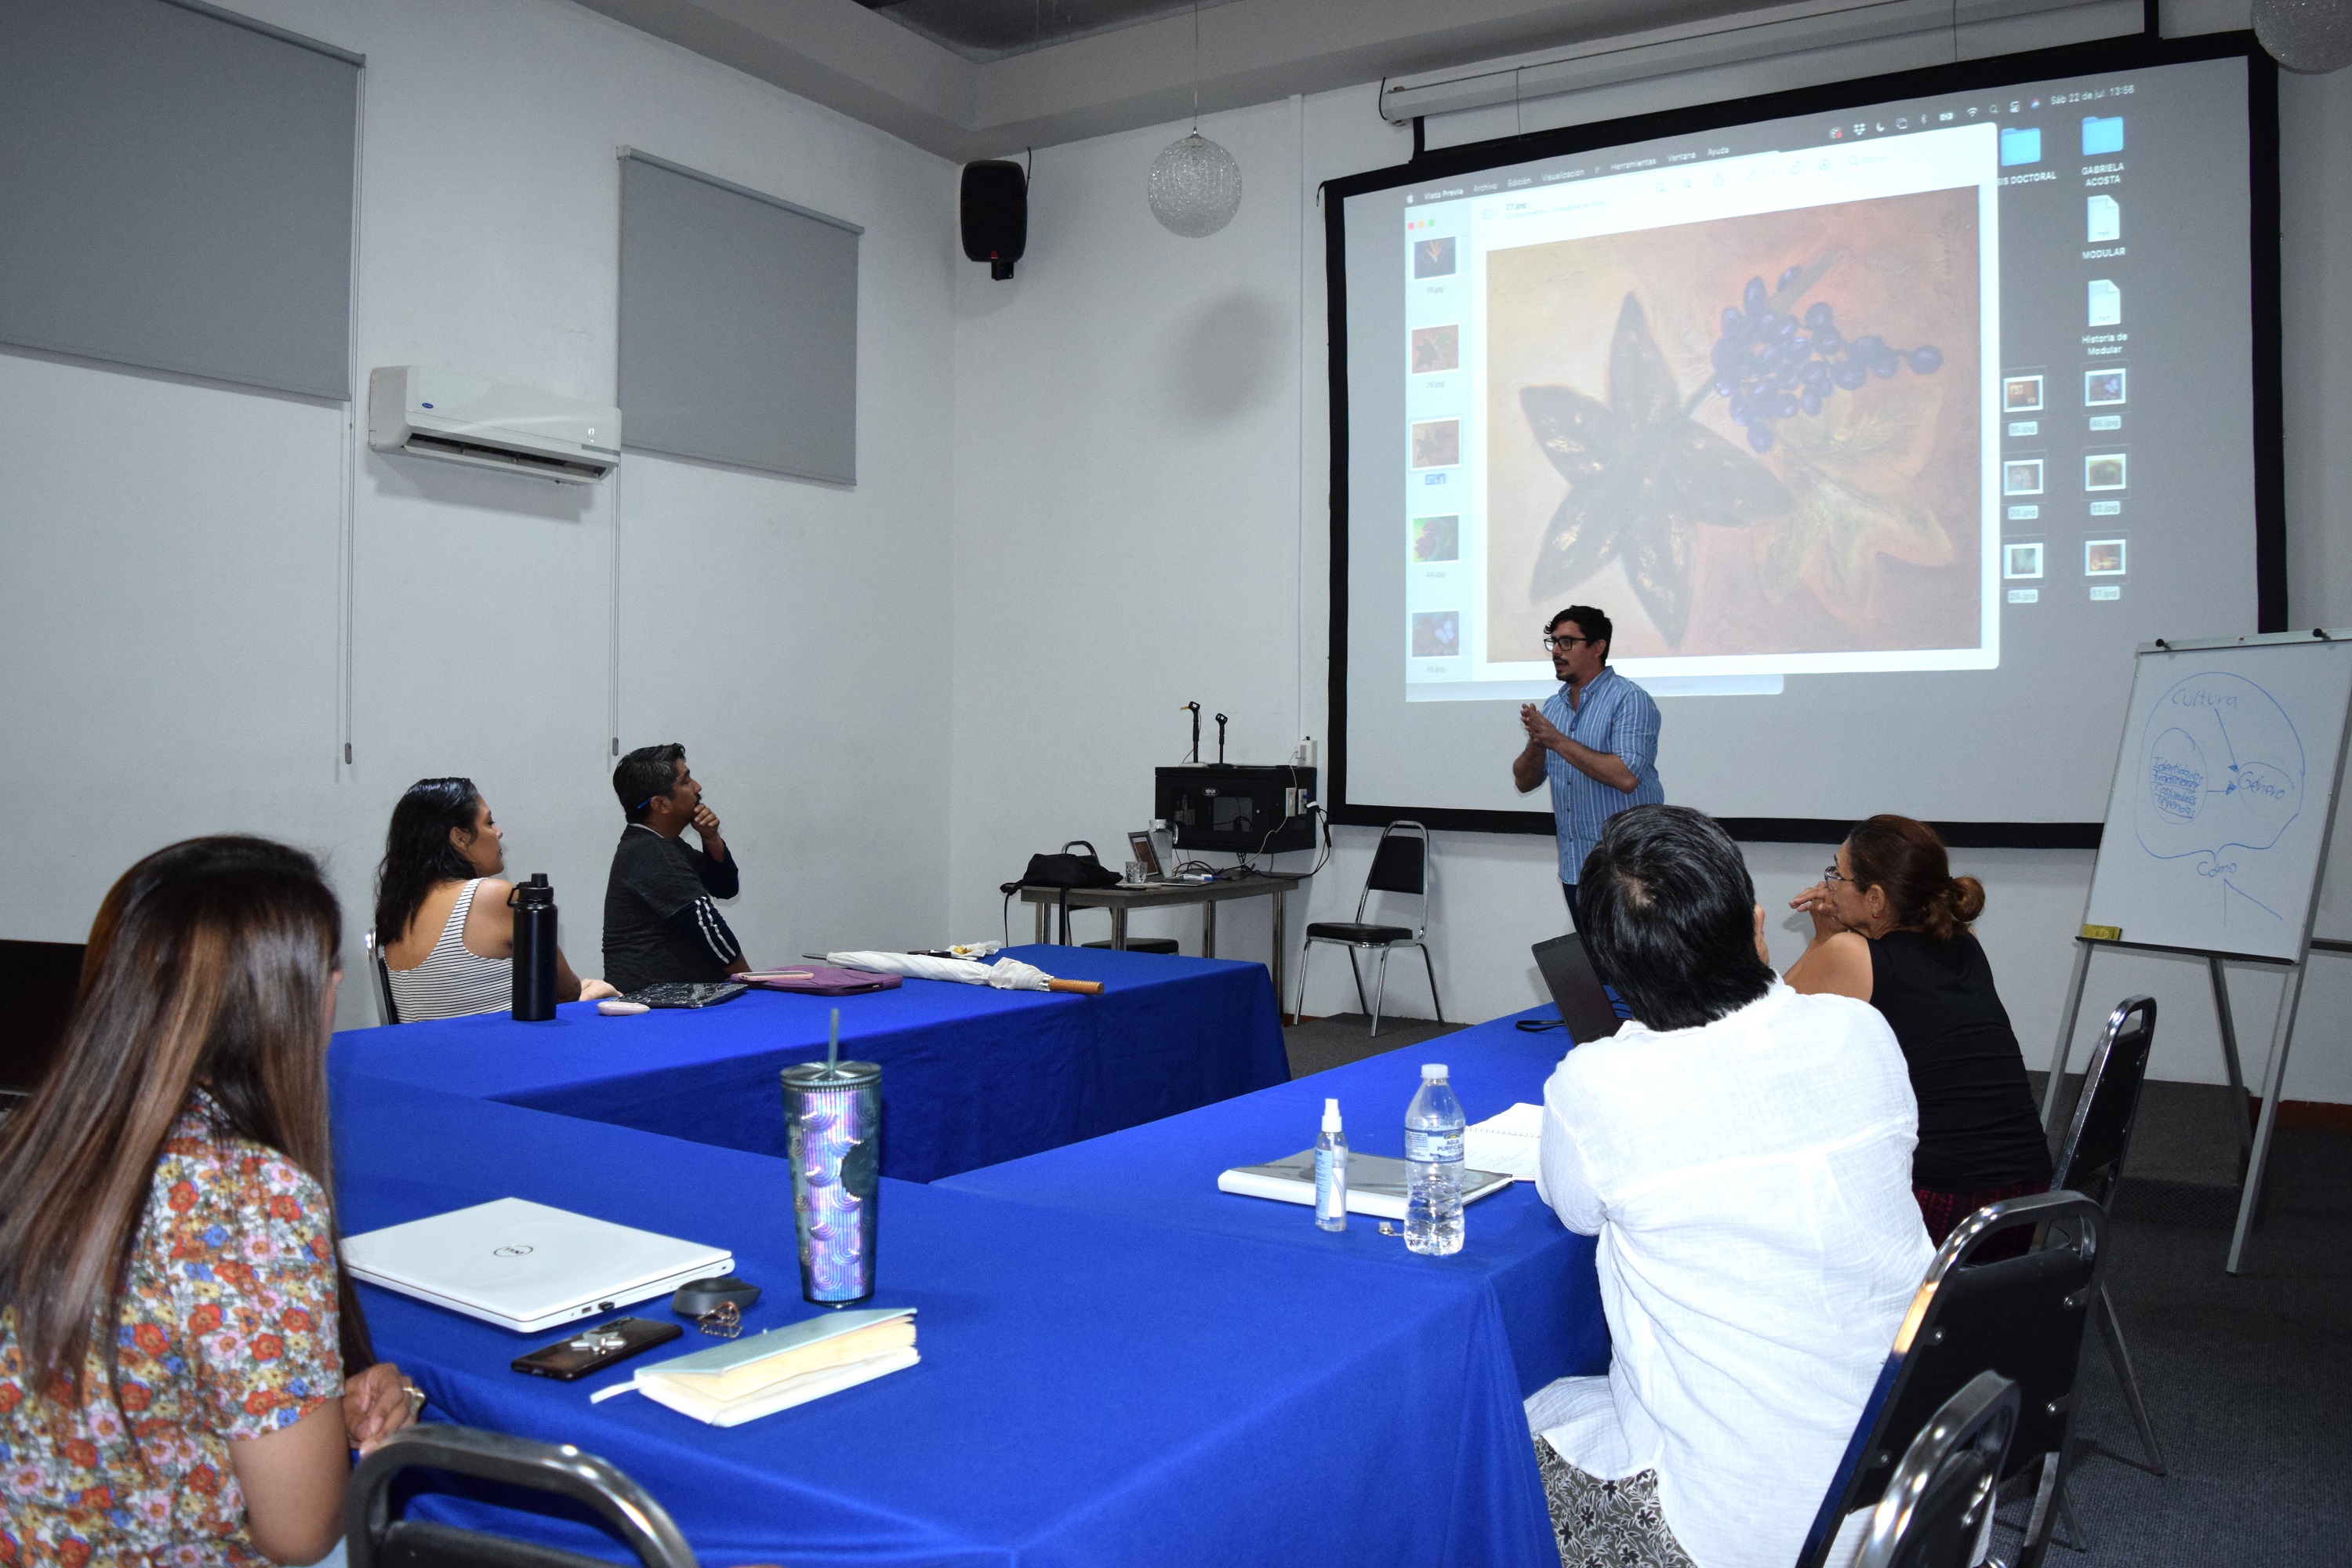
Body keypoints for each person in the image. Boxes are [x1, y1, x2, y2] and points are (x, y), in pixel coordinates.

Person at [1526, 805, 1932, 1568]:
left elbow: (1573, 1208)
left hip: (1737, 1531)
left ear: (1614, 970)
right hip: (1921, 1494)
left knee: (1491, 1441)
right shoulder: (1862, 1032)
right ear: (1756, 924)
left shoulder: (1602, 1082)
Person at [0, 837, 419, 1566]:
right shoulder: (246, 1197)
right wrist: (384, 1441)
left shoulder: (34, 1145)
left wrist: (315, 1405)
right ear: (293, 999)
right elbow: (301, 1533)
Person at [1785, 814, 2053, 1244]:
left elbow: (1762, 1028)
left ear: (1875, 899)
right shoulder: (1964, 942)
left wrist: (1821, 942)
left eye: (1838, 874)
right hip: (2025, 1200)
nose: (1829, 885)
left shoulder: (1850, 954)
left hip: (1944, 1205)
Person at [375, 777, 619, 1022]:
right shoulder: (493, 896)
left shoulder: (397, 911)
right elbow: (567, 992)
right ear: (459, 837)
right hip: (501, 1045)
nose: (498, 832)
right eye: (489, 823)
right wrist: (590, 992)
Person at [1511, 604, 1664, 938]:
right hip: (1575, 867)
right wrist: (1538, 742)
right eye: (1553, 642)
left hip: (1629, 873)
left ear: (1597, 646)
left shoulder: (1630, 700)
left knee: (1634, 965)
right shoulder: (1554, 707)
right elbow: (1524, 781)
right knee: (1593, 965)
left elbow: (1625, 776)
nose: (1556, 651)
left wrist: (1556, 739)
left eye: (1567, 642)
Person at [603, 743, 748, 994]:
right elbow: (706, 925)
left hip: (675, 995)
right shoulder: (649, 851)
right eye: (686, 781)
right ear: (660, 804)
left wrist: (711, 838)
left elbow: (725, 888)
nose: (697, 787)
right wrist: (751, 982)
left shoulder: (661, 843)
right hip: (657, 1002)